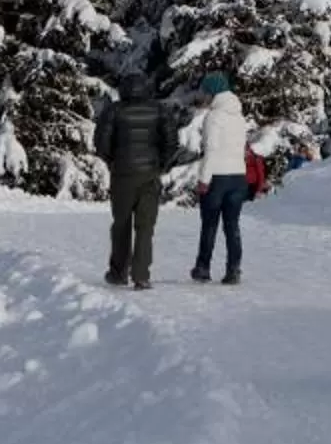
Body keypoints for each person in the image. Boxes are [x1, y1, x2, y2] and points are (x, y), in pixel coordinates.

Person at [92, 72, 180, 288]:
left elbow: (101, 142)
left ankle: (118, 272)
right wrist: (161, 164)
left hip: (122, 174)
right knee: (145, 226)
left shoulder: (114, 110)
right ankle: (141, 275)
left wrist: (113, 161)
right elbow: (171, 141)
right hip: (150, 174)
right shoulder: (159, 110)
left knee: (121, 224)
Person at [188, 73, 251, 285]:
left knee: (210, 224)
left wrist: (204, 179)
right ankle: (234, 269)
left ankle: (203, 267)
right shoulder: (239, 117)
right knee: (232, 225)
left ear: (213, 93)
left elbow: (212, 149)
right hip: (238, 176)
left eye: (206, 92)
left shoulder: (214, 117)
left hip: (217, 177)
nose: (204, 96)